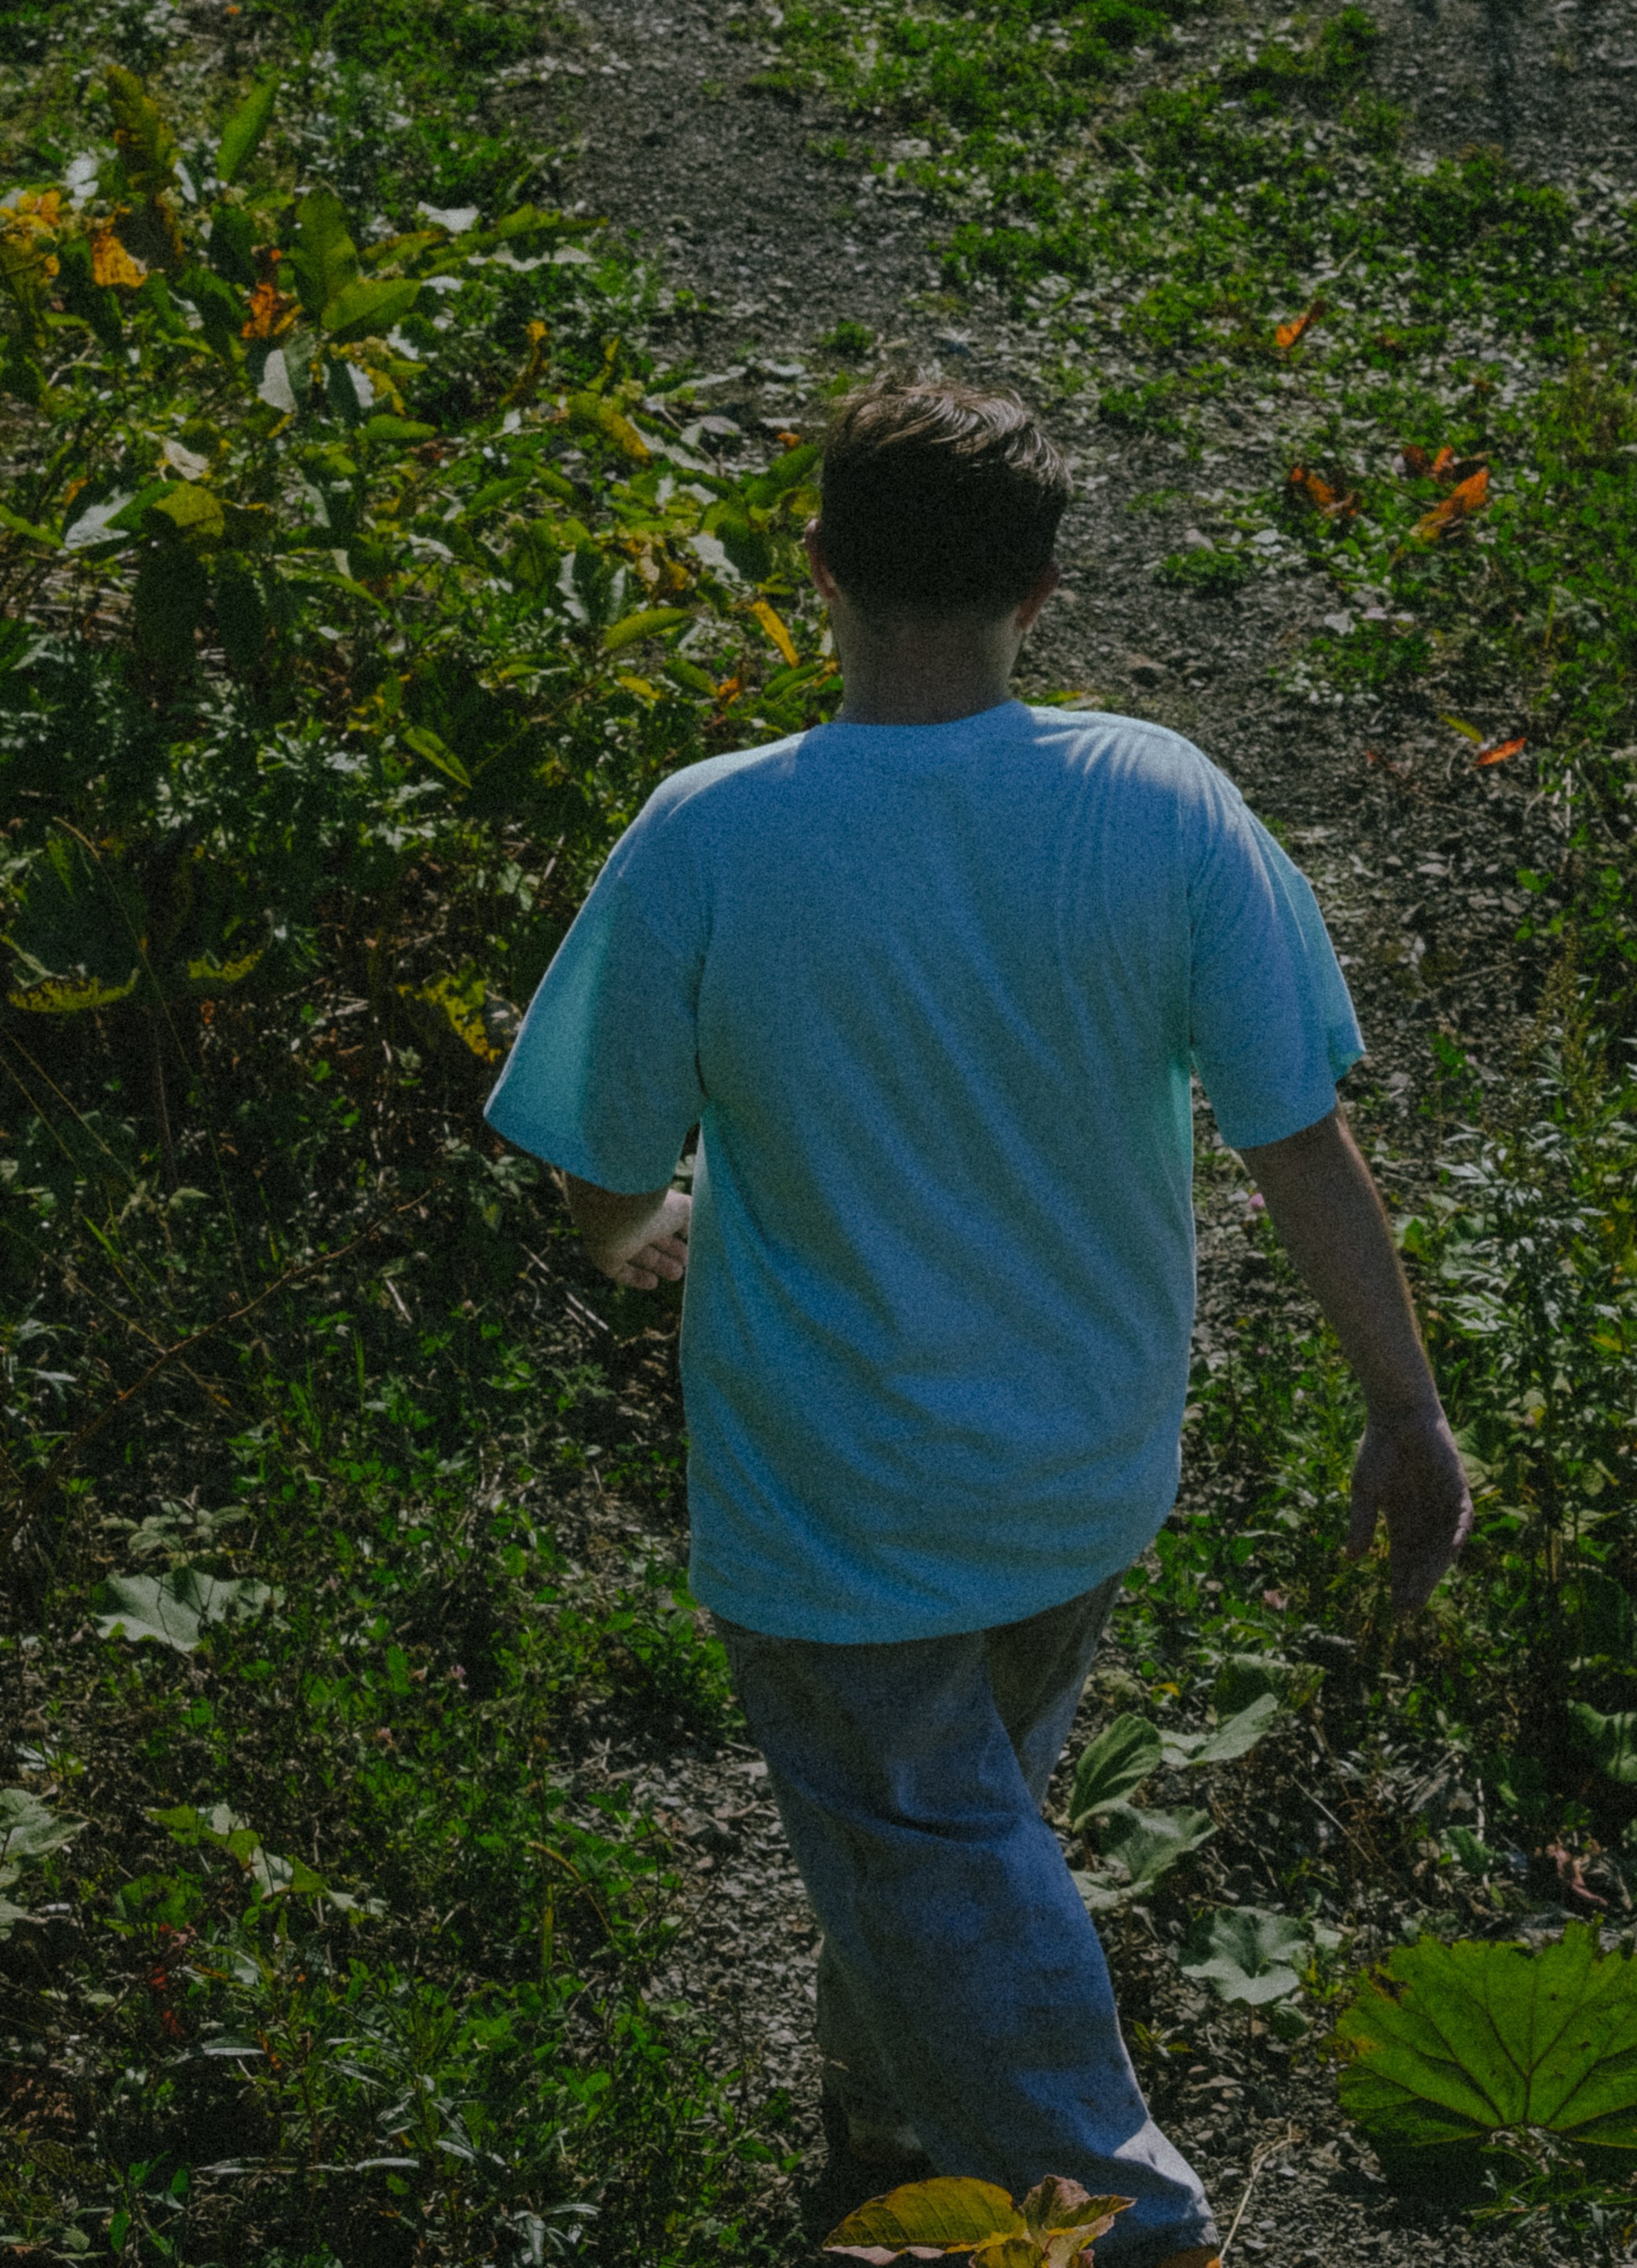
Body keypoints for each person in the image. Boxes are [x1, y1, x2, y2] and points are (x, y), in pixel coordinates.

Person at [484, 377, 1472, 2268]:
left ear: (819, 572)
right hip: (1081, 1472)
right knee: (956, 1829)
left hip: (830, 1493)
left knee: (940, 1853)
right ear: (1043, 591)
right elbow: (1297, 1134)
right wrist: (1401, 1412)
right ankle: (886, 2123)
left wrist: (641, 1228)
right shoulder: (1157, 796)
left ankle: (1116, 2221)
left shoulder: (708, 837)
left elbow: (596, 1162)